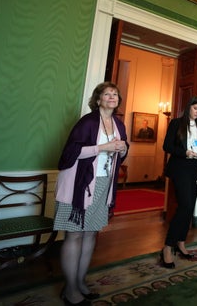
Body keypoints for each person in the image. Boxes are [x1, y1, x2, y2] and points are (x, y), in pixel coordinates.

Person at [54, 81, 129, 306]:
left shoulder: (118, 124)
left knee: (90, 234)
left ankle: (80, 282)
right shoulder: (87, 122)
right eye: (107, 94)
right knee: (74, 235)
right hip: (77, 185)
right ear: (98, 100)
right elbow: (70, 153)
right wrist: (102, 148)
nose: (112, 97)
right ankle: (70, 288)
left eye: (115, 94)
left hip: (103, 184)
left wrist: (124, 149)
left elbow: (119, 154)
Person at [160, 96, 197, 268]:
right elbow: (166, 146)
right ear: (189, 107)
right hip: (180, 168)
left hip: (194, 169)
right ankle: (167, 246)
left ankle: (181, 242)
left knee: (190, 206)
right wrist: (185, 152)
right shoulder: (176, 123)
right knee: (185, 206)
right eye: (195, 108)